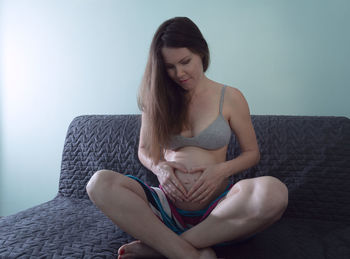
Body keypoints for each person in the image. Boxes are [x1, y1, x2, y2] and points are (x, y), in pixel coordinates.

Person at [86, 17, 288, 259]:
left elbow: (251, 153)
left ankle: (160, 248)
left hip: (220, 210)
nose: (179, 73)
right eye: (169, 67)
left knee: (274, 192)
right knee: (99, 183)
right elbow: (144, 150)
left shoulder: (231, 97)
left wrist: (221, 171)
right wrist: (159, 168)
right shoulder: (156, 98)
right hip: (165, 208)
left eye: (185, 62)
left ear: (201, 52)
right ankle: (187, 253)